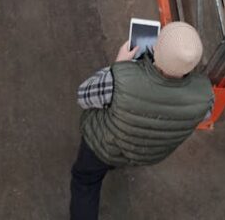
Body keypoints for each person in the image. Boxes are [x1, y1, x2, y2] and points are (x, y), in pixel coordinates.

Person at [70, 22, 214, 220]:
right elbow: (202, 116)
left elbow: (84, 97)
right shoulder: (205, 96)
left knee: (85, 181)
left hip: (103, 146)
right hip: (147, 153)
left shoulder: (119, 80)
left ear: (156, 49)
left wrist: (118, 67)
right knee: (120, 157)